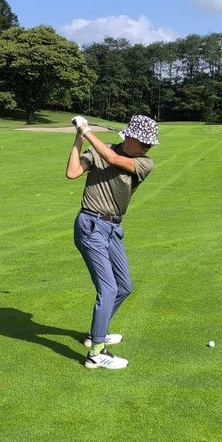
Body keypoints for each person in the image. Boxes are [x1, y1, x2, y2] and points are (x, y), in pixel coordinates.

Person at [66, 114, 158, 369]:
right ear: (129, 137)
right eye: (144, 142)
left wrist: (87, 131)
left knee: (124, 287)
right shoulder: (98, 151)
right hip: (90, 226)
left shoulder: (144, 163)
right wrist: (78, 137)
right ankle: (96, 353)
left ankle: (96, 332)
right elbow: (72, 173)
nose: (147, 147)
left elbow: (113, 159)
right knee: (107, 289)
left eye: (149, 143)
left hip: (113, 229)